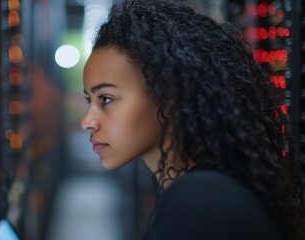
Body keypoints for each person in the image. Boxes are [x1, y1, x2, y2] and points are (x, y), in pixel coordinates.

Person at [80, 0, 305, 239]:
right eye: (89, 101)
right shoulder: (213, 190)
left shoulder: (197, 204)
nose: (87, 121)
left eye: (105, 99)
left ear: (169, 94)